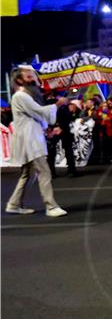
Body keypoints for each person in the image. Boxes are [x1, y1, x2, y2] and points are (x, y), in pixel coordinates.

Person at [5, 66, 68, 217]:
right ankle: (51, 206)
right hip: (30, 141)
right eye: (29, 77)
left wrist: (47, 129)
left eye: (33, 76)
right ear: (19, 80)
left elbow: (36, 116)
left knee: (28, 174)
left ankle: (13, 204)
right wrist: (58, 105)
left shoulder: (23, 96)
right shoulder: (21, 96)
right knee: (44, 172)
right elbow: (39, 112)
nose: (33, 79)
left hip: (30, 139)